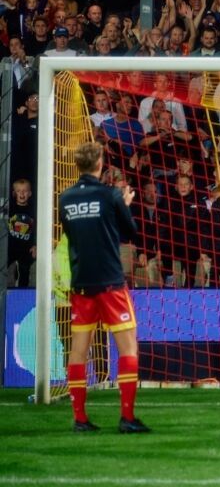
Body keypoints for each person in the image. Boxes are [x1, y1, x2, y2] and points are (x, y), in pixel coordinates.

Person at [58, 142, 148, 434]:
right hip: (110, 281)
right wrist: (124, 205)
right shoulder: (111, 195)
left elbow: (73, 233)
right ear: (100, 164)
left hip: (81, 283)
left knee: (78, 351)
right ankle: (127, 417)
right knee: (128, 347)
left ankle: (80, 419)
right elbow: (130, 232)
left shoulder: (65, 198)